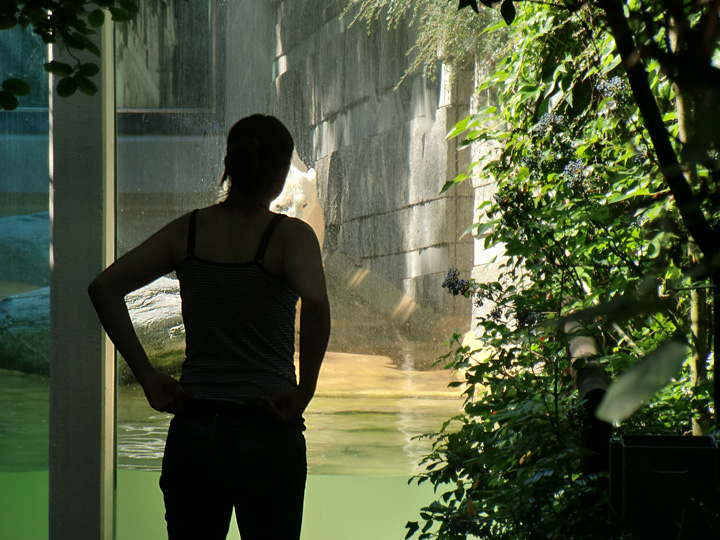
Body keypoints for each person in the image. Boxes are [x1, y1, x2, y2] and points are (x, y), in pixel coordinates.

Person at [88, 114, 331, 540]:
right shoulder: (291, 237)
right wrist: (305, 390)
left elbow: (104, 287)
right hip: (268, 430)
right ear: (279, 176)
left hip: (196, 433)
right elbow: (314, 301)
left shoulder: (189, 230)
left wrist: (148, 376)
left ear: (229, 166)